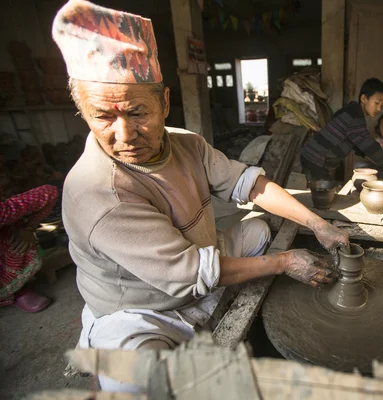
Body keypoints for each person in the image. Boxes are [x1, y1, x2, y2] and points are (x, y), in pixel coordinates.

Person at [52, 0, 349, 391]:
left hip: (199, 253)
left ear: (165, 103)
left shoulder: (187, 144)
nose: (124, 135)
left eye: (137, 112)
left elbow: (250, 185)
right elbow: (191, 272)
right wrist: (283, 263)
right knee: (137, 382)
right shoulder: (97, 193)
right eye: (103, 117)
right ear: (84, 114)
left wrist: (318, 224)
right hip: (142, 308)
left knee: (259, 231)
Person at [300, 78, 383, 181]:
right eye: (376, 103)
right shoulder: (354, 117)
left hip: (314, 157)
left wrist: (365, 153)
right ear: (364, 98)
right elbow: (369, 146)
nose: (379, 109)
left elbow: (358, 142)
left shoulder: (350, 111)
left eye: (381, 105)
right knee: (323, 191)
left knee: (323, 189)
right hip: (315, 159)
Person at [0, 184, 59, 312]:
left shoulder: (3, 212)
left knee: (13, 235)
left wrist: (29, 228)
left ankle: (16, 290)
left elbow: (49, 192)